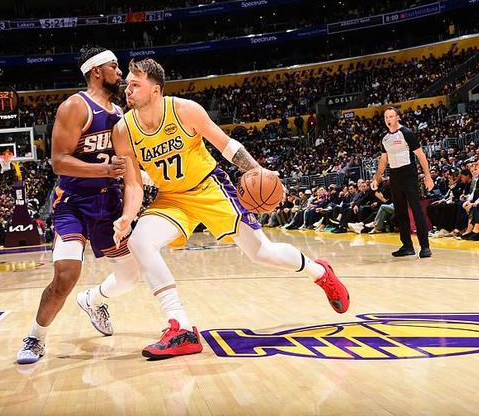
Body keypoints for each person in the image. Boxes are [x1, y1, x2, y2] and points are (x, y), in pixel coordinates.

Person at [112, 58, 350, 360]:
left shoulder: (184, 110)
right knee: (139, 241)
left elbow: (226, 145)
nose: (128, 90)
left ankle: (320, 272)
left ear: (155, 90)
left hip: (209, 187)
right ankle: (181, 328)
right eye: (128, 84)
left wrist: (257, 170)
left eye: (135, 85)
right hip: (171, 198)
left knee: (261, 253)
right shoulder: (123, 130)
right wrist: (127, 216)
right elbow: (133, 183)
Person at [16, 47, 142, 364]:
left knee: (130, 275)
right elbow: (59, 162)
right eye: (114, 66)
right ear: (96, 71)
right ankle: (35, 337)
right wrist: (104, 170)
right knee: (66, 276)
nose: (120, 73)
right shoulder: (75, 106)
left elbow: (126, 162)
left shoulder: (119, 113)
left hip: (109, 203)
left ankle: (93, 300)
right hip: (74, 204)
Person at [371, 107, 433, 258]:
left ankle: (425, 247)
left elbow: (421, 155)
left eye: (391, 116)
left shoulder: (407, 133)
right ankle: (407, 246)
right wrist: (376, 178)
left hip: (409, 173)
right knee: (400, 212)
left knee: (416, 210)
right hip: (394, 175)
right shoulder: (385, 138)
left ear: (397, 117)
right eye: (386, 117)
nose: (388, 119)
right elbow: (384, 159)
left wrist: (428, 176)